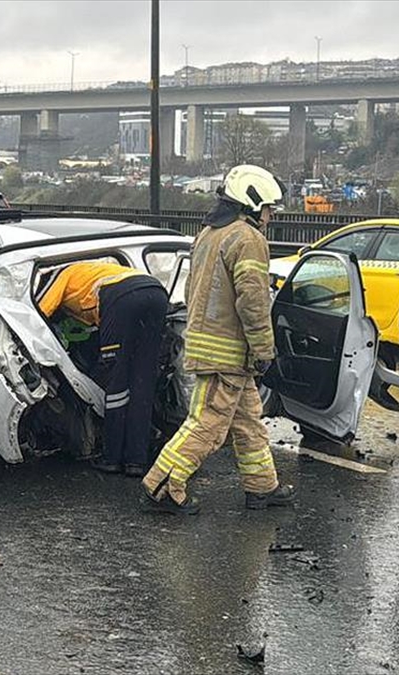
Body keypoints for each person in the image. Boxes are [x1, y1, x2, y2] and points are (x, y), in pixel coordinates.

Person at [140, 164, 295, 515]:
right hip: (229, 352)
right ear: (253, 203)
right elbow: (253, 301)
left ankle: (262, 487)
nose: (270, 216)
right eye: (269, 209)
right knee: (208, 424)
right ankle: (161, 486)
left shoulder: (209, 234)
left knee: (247, 419)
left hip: (211, 345)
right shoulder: (248, 238)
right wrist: (264, 349)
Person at [37, 261, 168, 476]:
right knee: (142, 382)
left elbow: (40, 313)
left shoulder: (61, 274)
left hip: (121, 299)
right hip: (156, 293)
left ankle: (112, 458)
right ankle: (137, 461)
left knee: (116, 381)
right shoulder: (94, 270)